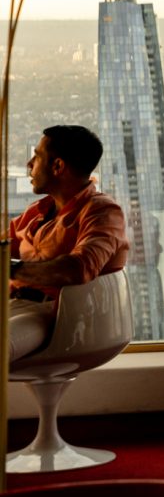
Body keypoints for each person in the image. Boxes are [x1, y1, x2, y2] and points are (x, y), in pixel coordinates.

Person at [8, 125, 130, 363]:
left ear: (58, 166)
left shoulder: (102, 211)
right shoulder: (37, 211)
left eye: (37, 156)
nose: (29, 164)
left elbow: (78, 268)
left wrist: (11, 268)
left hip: (55, 316)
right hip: (14, 302)